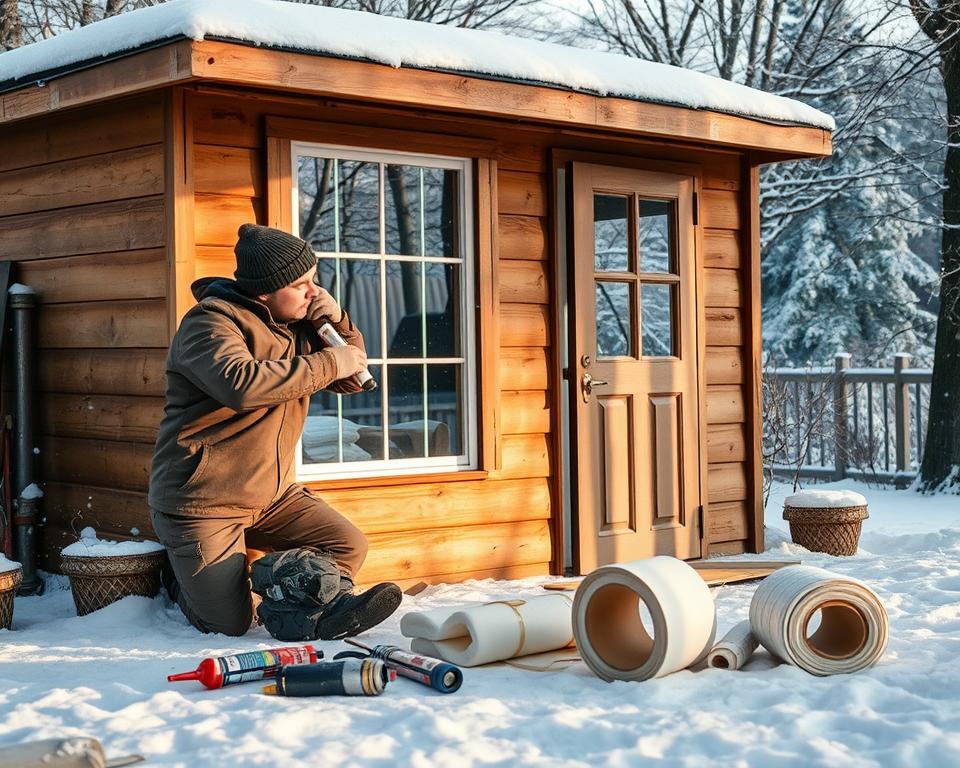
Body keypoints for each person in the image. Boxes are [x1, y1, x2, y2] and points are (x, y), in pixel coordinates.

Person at [148, 223, 401, 639]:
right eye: (301, 283)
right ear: (265, 290)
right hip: (203, 502)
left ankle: (302, 605)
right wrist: (332, 361)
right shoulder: (210, 323)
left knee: (348, 545)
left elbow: (352, 379)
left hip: (273, 494)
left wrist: (336, 321)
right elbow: (242, 384)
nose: (312, 291)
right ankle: (179, 581)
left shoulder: (300, 322)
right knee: (229, 624)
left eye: (314, 281)